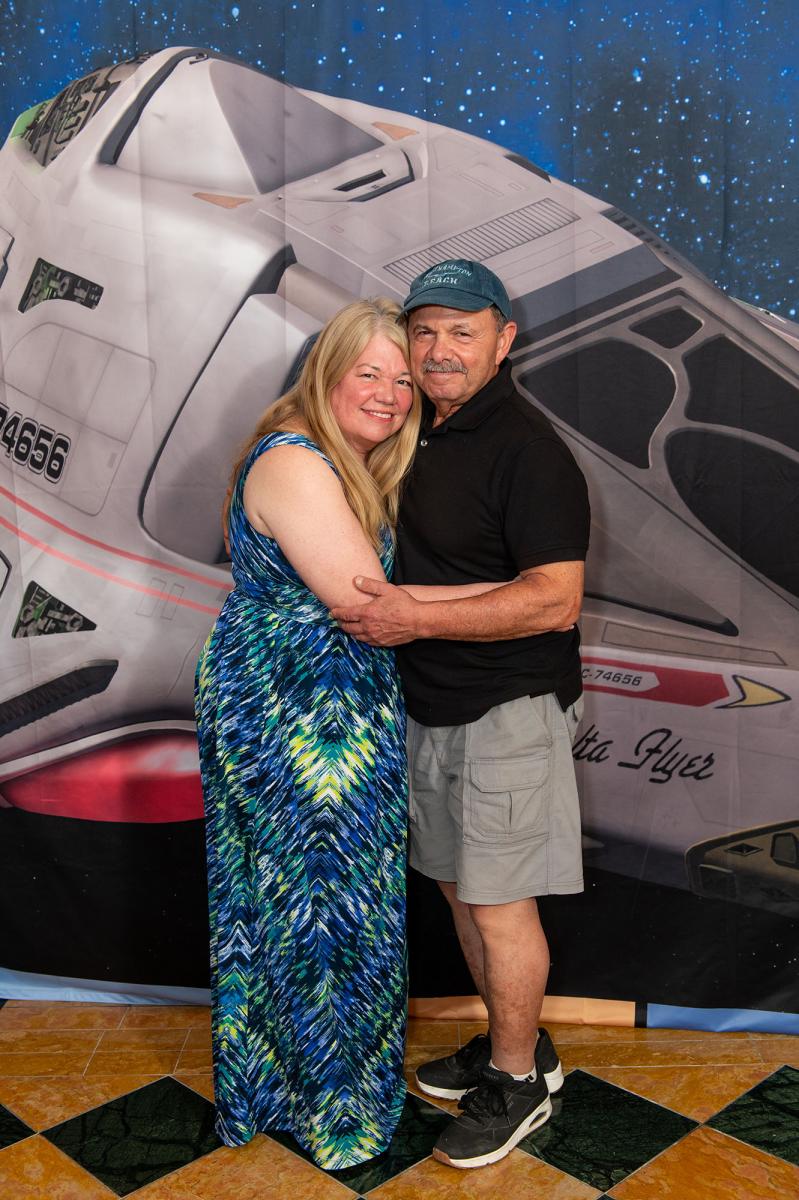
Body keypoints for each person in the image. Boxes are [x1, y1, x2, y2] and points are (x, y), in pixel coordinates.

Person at [195, 297, 506, 1170]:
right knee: (324, 907)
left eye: (403, 380)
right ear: (325, 374)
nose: (390, 395)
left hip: (324, 700)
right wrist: (523, 596)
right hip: (294, 711)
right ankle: (335, 1116)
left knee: (300, 902)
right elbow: (367, 604)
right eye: (368, 373)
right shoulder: (296, 463)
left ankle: (276, 1090)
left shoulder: (340, 462)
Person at [332, 260, 590, 1170]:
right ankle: (512, 1046)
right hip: (430, 706)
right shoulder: (421, 431)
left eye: (462, 331)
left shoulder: (527, 449)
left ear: (503, 340)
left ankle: (517, 1084)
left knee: (497, 903)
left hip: (504, 711)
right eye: (425, 331)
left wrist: (416, 618)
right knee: (456, 889)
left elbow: (554, 599)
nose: (439, 349)